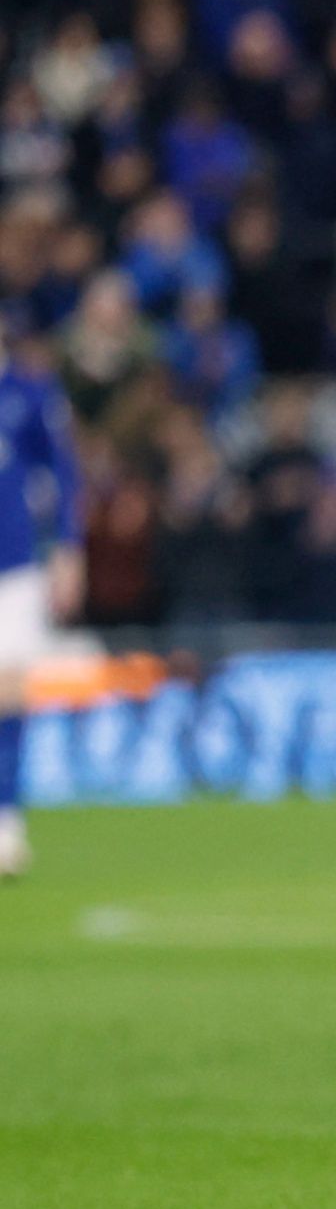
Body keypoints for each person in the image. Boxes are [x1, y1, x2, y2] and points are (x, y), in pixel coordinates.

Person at [0, 315, 82, 879]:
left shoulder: (27, 395)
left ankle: (7, 822)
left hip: (15, 565)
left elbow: (63, 472)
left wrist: (68, 549)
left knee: (9, 693)